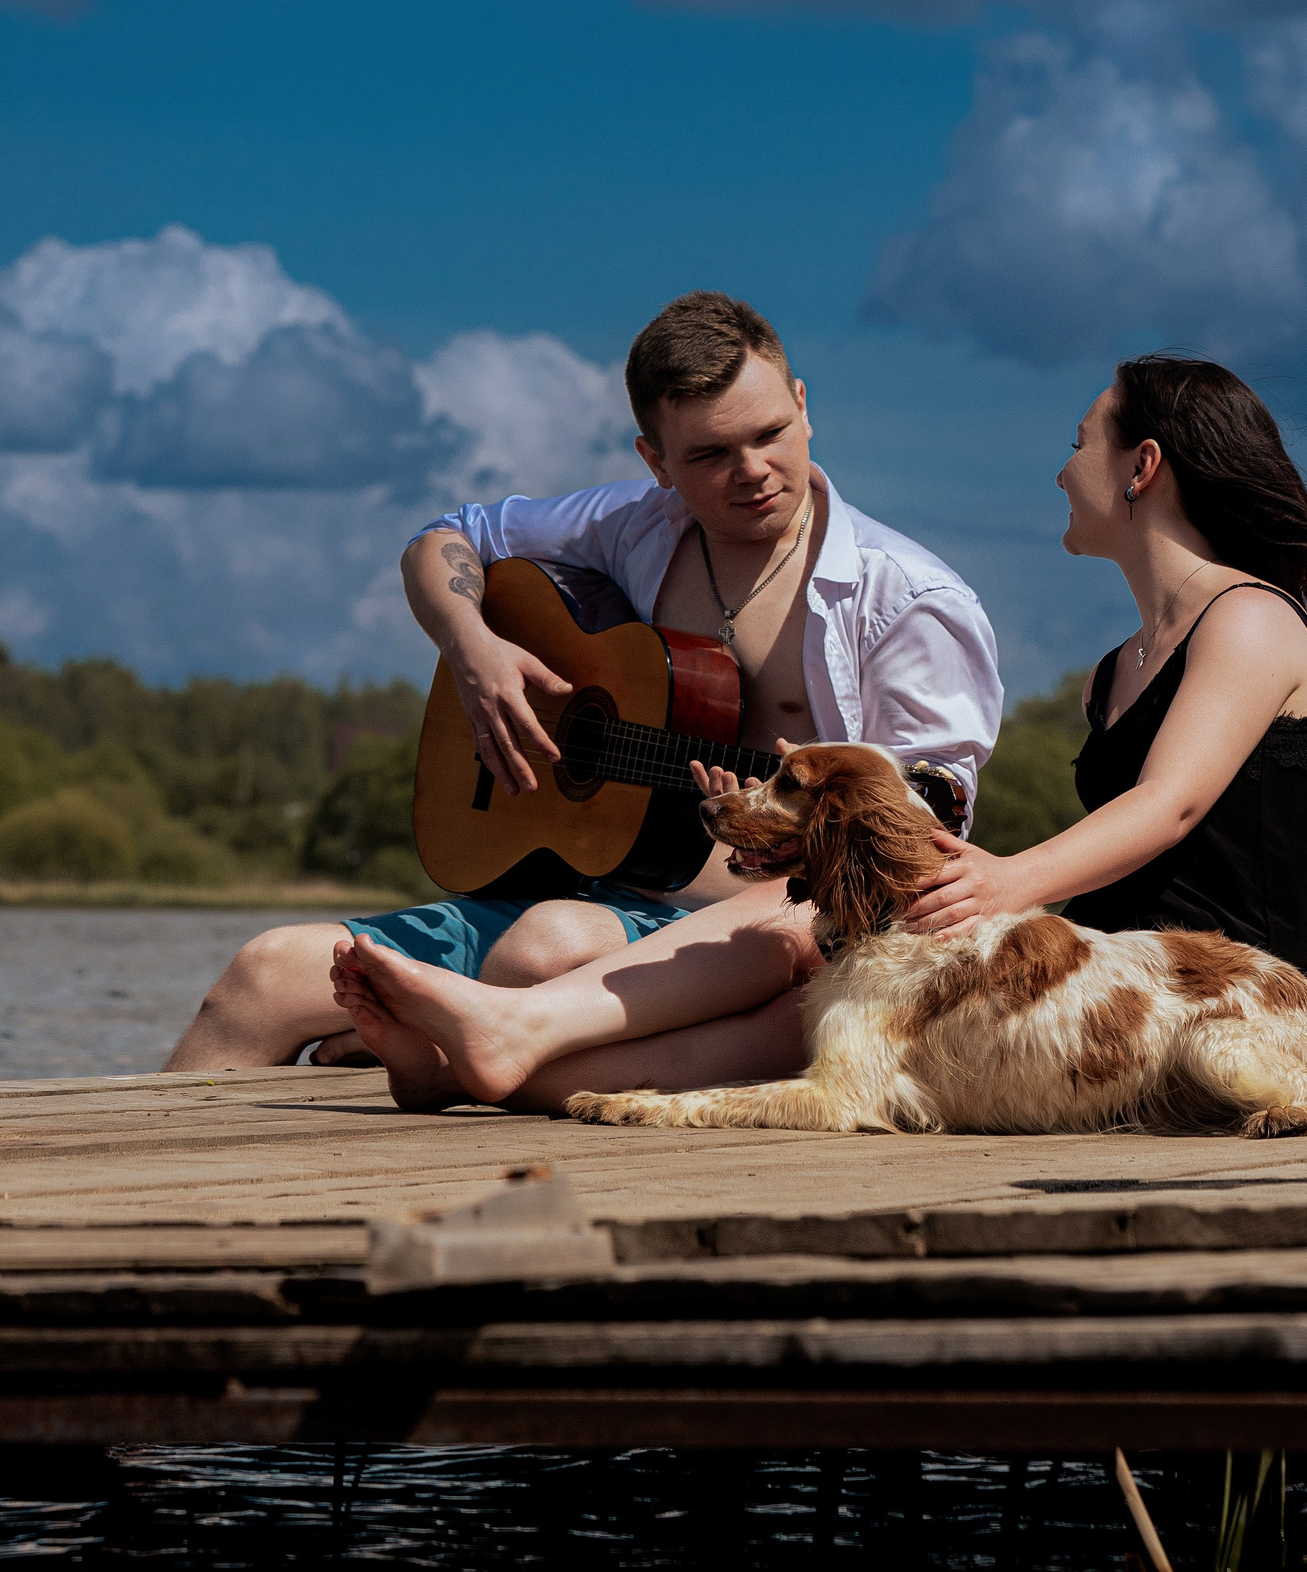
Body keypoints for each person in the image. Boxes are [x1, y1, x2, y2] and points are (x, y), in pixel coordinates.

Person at [328, 351, 1307, 1113]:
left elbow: (1169, 804)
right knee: (814, 1005)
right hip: (1095, 984)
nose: (1060, 469)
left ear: (1142, 467)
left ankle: (493, 1043)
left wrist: (1005, 881)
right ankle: (471, 1057)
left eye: (1079, 441)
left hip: (1223, 1000)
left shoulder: (1246, 618)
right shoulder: (1118, 666)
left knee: (809, 1012)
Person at [162, 290, 1002, 1086]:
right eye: (710, 454)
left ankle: (429, 1047)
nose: (754, 470)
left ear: (804, 404)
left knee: (545, 947)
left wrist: (770, 835)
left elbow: (927, 848)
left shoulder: (910, 605)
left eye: (772, 433)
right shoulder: (633, 526)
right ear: (655, 460)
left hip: (770, 928)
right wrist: (473, 648)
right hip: (585, 884)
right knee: (263, 975)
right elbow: (446, 536)